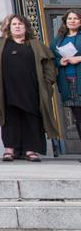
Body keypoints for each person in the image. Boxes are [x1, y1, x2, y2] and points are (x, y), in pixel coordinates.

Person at [0, 14, 58, 162]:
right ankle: (10, 150)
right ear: (8, 28)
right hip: (8, 90)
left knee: (32, 119)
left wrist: (47, 83)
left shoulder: (35, 45)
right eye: (14, 24)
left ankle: (30, 151)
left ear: (26, 27)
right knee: (10, 119)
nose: (17, 26)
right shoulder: (1, 45)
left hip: (31, 90)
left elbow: (49, 66)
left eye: (20, 24)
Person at [49, 9, 81, 141]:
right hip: (67, 82)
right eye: (69, 18)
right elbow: (50, 59)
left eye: (75, 18)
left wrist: (78, 59)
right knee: (78, 118)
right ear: (65, 22)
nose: (72, 21)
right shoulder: (58, 40)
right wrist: (59, 61)